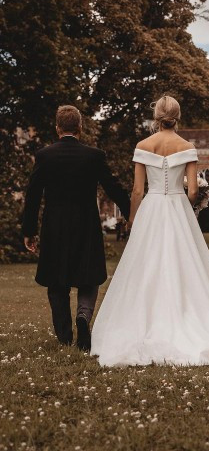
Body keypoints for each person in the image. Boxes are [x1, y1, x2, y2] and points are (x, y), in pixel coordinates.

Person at [91, 96, 209, 366]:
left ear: (156, 116)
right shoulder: (187, 146)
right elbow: (192, 190)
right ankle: (190, 320)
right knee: (186, 266)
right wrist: (182, 208)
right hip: (178, 208)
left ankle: (143, 324)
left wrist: (132, 219)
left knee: (145, 266)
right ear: (178, 116)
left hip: (151, 208)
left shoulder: (143, 146)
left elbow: (137, 190)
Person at [22, 105, 130, 351]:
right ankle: (83, 316)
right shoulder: (94, 156)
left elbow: (32, 197)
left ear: (57, 127)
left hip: (54, 227)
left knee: (56, 283)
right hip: (86, 225)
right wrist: (132, 212)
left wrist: (29, 231)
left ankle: (64, 335)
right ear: (80, 127)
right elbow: (113, 188)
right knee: (88, 277)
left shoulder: (44, 155)